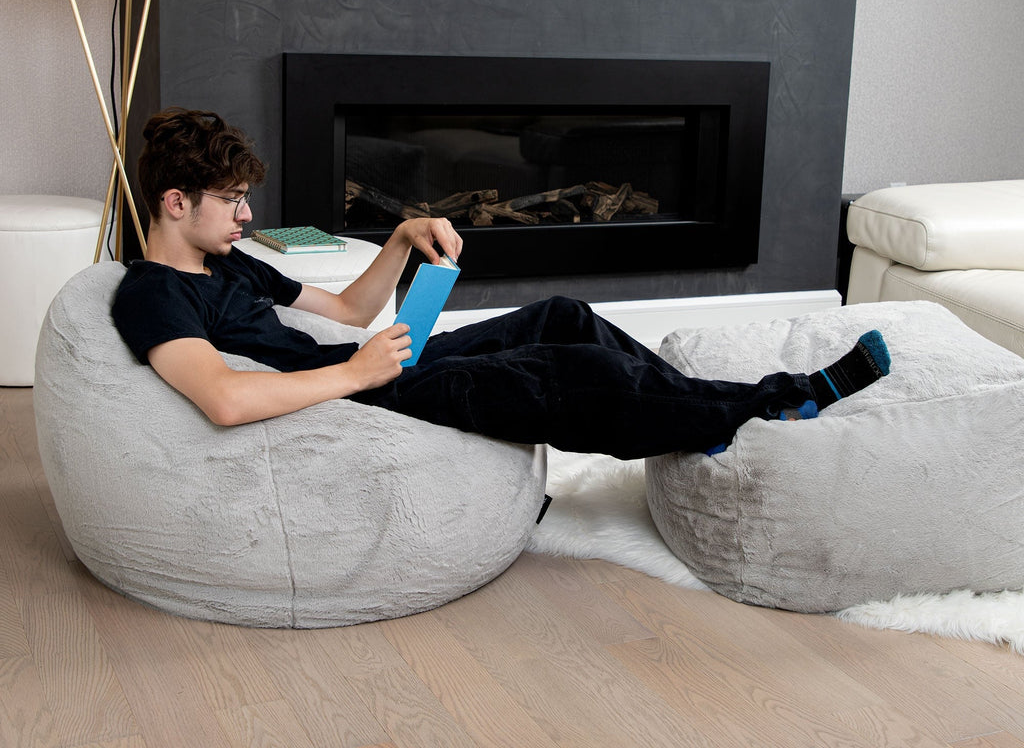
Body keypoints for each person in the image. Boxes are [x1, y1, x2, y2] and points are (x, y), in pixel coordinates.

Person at [112, 107, 892, 460]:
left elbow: (350, 307)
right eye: (231, 200)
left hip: (376, 368)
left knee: (560, 315)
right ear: (176, 203)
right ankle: (769, 401)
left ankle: (710, 413)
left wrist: (402, 238)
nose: (247, 215)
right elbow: (224, 399)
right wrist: (354, 371)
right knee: (568, 373)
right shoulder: (153, 293)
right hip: (361, 392)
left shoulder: (229, 263)